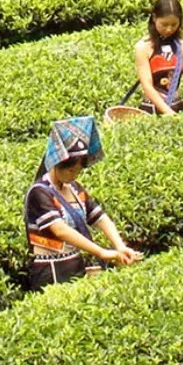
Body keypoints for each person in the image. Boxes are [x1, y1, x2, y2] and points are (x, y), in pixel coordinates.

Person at [24, 116, 142, 290]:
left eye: (78, 170)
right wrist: (101, 252)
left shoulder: (74, 188)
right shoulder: (39, 192)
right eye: (71, 170)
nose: (74, 175)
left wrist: (120, 246)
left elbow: (99, 217)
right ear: (56, 164)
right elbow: (60, 230)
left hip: (75, 264)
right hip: (50, 270)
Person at [131, 0, 183, 116]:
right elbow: (147, 85)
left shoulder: (182, 46)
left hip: (177, 104)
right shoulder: (143, 47)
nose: (169, 29)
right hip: (151, 108)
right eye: (164, 24)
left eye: (174, 25)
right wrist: (168, 112)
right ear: (154, 18)